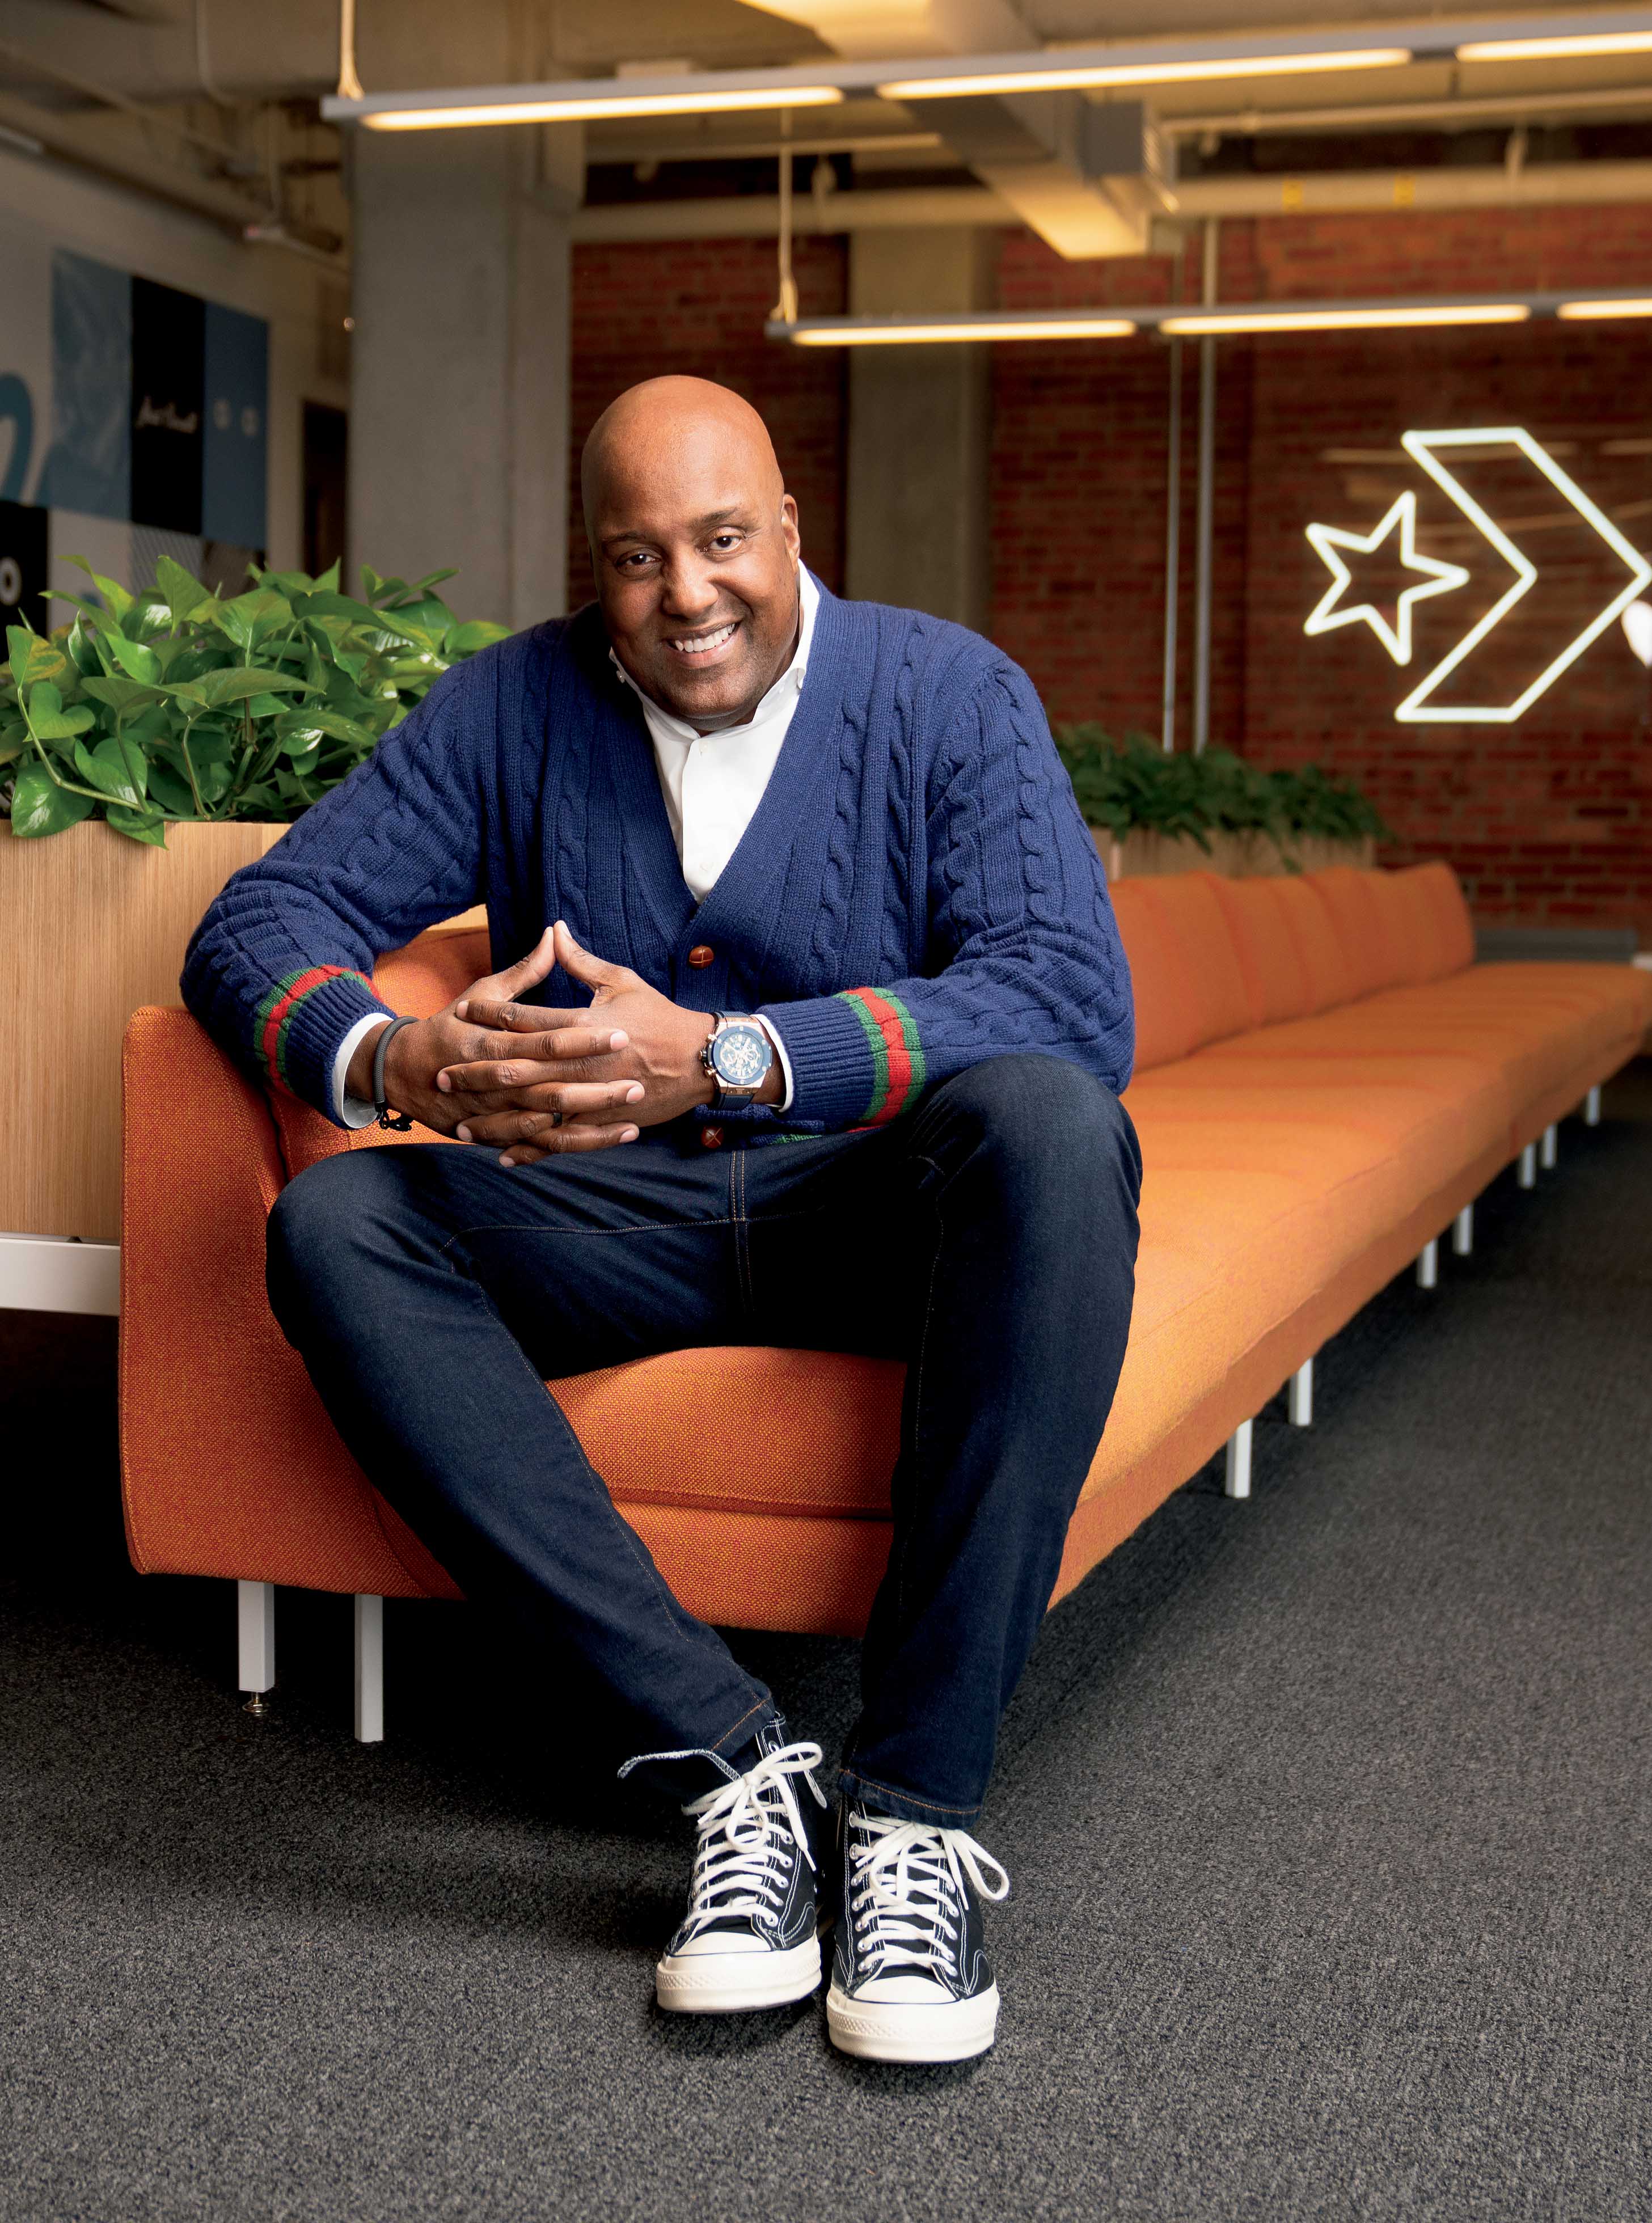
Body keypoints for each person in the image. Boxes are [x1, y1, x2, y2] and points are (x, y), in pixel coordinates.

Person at [184, 375, 1139, 2066]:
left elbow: (1063, 995)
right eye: (635, 557)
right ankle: (729, 1774)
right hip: (615, 1217)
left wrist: (731, 1057)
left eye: (718, 541)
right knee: (338, 1231)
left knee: (1057, 1129)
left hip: (880, 1214)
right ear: (591, 569)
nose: (686, 594)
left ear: (788, 531)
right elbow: (262, 916)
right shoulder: (514, 706)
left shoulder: (947, 695)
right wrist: (397, 1050)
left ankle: (913, 1811)